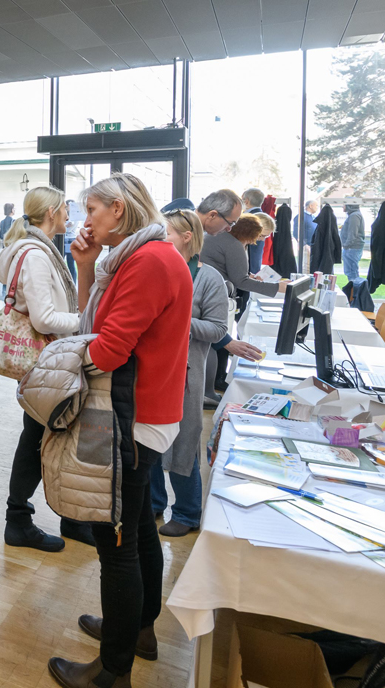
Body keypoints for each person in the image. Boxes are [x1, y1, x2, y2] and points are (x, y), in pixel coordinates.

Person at [48, 173, 192, 688]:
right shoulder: (134, 258)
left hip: (135, 417)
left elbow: (106, 348)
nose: (85, 221)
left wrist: (60, 357)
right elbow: (95, 321)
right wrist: (85, 267)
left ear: (120, 209)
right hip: (144, 411)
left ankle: (113, 670)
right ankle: (138, 630)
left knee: (117, 544)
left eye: (92, 210)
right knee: (138, 532)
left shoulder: (148, 261)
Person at [0, 186, 80, 553]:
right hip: (45, 361)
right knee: (35, 437)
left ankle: (62, 517)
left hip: (49, 361)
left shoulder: (38, 248)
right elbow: (45, 317)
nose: (70, 214)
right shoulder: (34, 254)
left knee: (38, 434)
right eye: (65, 209)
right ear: (51, 212)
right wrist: (84, 321)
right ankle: (18, 519)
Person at [151, 210, 228, 538]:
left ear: (187, 236)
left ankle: (187, 511)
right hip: (152, 370)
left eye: (165, 231)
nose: (159, 236)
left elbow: (218, 329)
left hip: (187, 373)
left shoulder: (209, 278)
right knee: (149, 442)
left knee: (183, 443)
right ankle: (153, 503)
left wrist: (177, 319)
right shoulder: (155, 268)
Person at [201, 214, 280, 394]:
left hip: (213, 292)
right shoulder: (234, 245)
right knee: (221, 340)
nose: (258, 242)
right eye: (260, 237)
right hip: (217, 296)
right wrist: (277, 288)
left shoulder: (223, 240)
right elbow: (240, 281)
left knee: (219, 341)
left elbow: (233, 271)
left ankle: (214, 383)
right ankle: (216, 383)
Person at [340, 203, 365, 282]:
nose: (342, 206)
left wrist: (346, 245)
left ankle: (353, 292)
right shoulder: (354, 215)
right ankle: (353, 291)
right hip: (352, 247)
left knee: (351, 272)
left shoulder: (354, 216)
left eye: (344, 204)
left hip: (352, 248)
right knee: (352, 271)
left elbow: (353, 232)